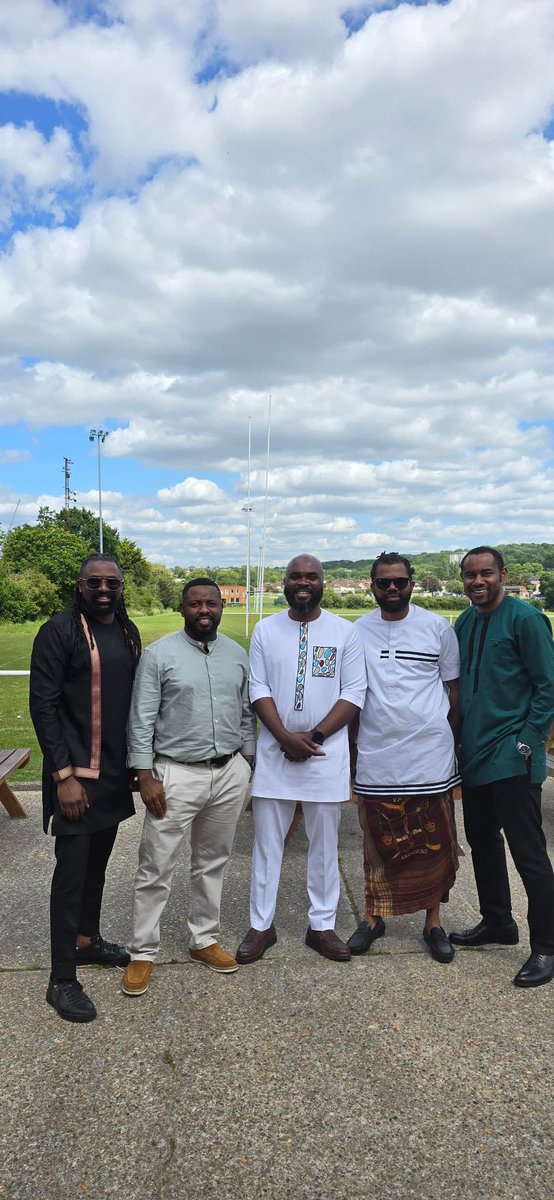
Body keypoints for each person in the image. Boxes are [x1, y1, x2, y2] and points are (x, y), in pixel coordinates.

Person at [121, 578, 256, 995]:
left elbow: (247, 712)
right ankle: (143, 951)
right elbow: (141, 717)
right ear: (182, 608)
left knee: (213, 860)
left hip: (228, 771)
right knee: (156, 866)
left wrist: (247, 762)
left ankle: (204, 938)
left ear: (221, 608)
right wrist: (145, 774)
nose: (204, 610)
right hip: (174, 774)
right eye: (195, 604)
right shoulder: (160, 655)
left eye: (211, 604)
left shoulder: (237, 654)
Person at [236, 554, 366, 965]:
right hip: (276, 754)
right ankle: (261, 925)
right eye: (296, 576)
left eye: (311, 576)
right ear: (285, 582)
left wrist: (312, 738)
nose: (303, 582)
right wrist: (283, 737)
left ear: (323, 582)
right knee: (267, 844)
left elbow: (354, 693)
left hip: (326, 756)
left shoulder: (345, 632)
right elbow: (257, 687)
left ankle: (322, 925)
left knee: (325, 847)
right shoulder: (265, 630)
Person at [29, 553, 141, 1023]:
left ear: (120, 587)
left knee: (97, 866)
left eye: (110, 582)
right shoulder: (60, 631)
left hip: (114, 776)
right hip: (76, 777)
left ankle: (86, 940)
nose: (102, 589)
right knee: (70, 878)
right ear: (79, 586)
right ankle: (62, 978)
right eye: (93, 582)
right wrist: (64, 778)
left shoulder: (126, 630)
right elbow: (43, 706)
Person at [449, 546, 554, 988]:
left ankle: (547, 947)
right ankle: (498, 922)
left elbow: (547, 686)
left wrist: (528, 741)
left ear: (502, 574)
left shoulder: (526, 619)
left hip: (512, 753)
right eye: (470, 575)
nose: (477, 581)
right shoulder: (464, 621)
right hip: (474, 754)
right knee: (483, 842)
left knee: (528, 853)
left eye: (486, 573)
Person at [348, 552, 460, 964]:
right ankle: (374, 918)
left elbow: (454, 692)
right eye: (384, 582)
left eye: (400, 581)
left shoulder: (436, 628)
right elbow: (351, 697)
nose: (392, 588)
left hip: (429, 754)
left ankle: (433, 922)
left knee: (435, 839)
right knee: (378, 840)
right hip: (377, 755)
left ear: (412, 583)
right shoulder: (356, 632)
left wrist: (453, 741)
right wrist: (351, 750)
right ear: (371, 585)